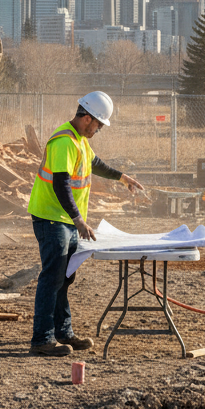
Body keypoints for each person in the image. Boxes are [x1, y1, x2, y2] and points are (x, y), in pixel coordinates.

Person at [26, 91, 143, 356]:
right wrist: (79, 220)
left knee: (65, 278)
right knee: (52, 277)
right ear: (87, 118)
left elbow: (94, 163)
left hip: (64, 219)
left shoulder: (79, 140)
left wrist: (121, 177)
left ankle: (63, 333)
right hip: (52, 218)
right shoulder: (64, 141)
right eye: (99, 125)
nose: (99, 130)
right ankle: (42, 340)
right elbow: (61, 184)